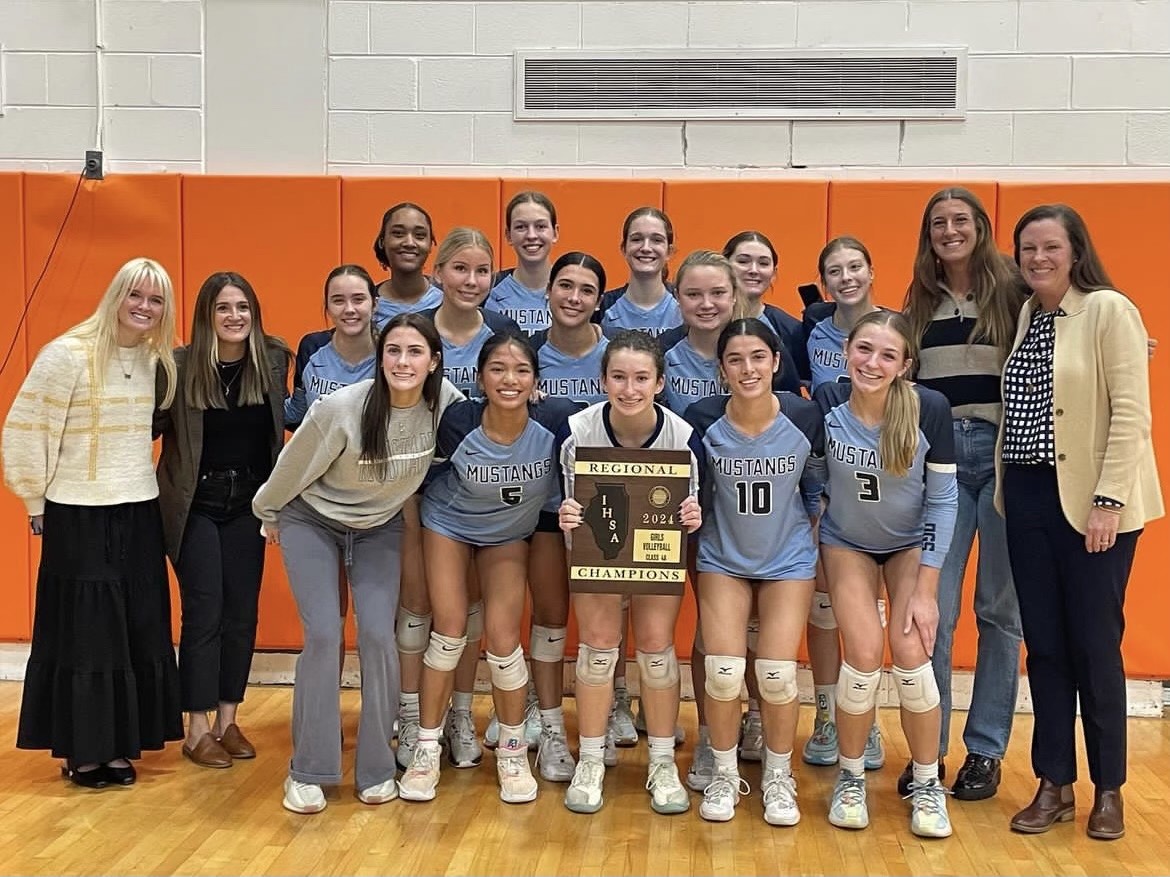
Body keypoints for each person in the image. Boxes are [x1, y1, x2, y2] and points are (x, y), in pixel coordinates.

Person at [252, 313, 463, 814]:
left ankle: (375, 768)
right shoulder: (341, 408)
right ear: (380, 357)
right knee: (325, 633)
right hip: (312, 519)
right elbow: (292, 466)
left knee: (376, 634)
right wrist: (267, 512)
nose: (403, 362)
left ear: (434, 361)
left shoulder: (447, 406)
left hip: (379, 526)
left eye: (415, 352)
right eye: (394, 351)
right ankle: (308, 771)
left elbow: (491, 429)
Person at [997, 204, 1162, 841]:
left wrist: (1110, 501)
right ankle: (1053, 783)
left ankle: (1110, 789)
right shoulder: (1027, 314)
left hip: (1096, 504)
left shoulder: (1109, 310)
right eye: (1028, 249)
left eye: (1050, 247)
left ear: (1075, 250)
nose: (1038, 258)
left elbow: (1131, 415)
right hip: (1030, 498)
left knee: (1095, 647)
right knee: (1045, 648)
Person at [3, 256, 182, 788]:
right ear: (115, 295)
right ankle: (83, 752)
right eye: (136, 295)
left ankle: (119, 747)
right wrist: (33, 501)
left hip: (137, 510)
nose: (145, 308)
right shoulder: (65, 355)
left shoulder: (158, 363)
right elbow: (25, 429)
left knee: (132, 630)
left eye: (156, 300)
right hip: (77, 512)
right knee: (87, 636)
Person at [398, 334, 577, 804]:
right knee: (451, 629)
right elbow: (417, 484)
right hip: (448, 526)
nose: (509, 379)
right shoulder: (458, 422)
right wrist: (414, 542)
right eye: (498, 368)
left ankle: (513, 753)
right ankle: (425, 749)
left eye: (521, 369)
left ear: (536, 381)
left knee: (503, 639)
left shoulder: (556, 425)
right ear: (479, 378)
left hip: (506, 535)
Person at [902, 188, 1029, 800]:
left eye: (960, 221)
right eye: (937, 224)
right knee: (936, 614)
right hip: (942, 462)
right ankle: (931, 751)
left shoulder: (1013, 291)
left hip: (1005, 457)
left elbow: (1068, 333)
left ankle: (985, 751)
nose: (949, 231)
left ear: (980, 227)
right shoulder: (919, 302)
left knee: (1000, 613)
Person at [814, 310, 958, 838]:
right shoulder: (828, 402)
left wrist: (926, 590)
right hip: (846, 541)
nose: (872, 363)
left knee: (914, 657)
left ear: (905, 366)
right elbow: (813, 480)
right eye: (864, 349)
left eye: (887, 355)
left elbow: (943, 502)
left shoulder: (930, 410)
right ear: (846, 350)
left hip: (906, 546)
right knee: (864, 656)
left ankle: (926, 783)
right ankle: (850, 777)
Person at [557, 330, 704, 815]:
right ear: (602, 380)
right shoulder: (577, 432)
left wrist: (692, 515)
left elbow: (692, 505)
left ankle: (662, 762)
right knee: (598, 649)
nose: (630, 388)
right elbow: (574, 506)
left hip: (657, 553)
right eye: (618, 377)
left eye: (642, 378)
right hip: (600, 550)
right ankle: (592, 760)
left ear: (660, 382)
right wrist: (569, 518)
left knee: (657, 652)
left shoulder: (683, 438)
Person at [683, 318, 824, 826]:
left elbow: (817, 487)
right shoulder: (702, 419)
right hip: (724, 557)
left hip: (787, 559)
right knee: (723, 674)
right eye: (736, 359)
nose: (748, 368)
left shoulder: (806, 416)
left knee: (777, 674)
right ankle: (723, 772)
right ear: (721, 368)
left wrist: (810, 536)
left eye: (757, 357)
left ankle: (778, 777)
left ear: (776, 362)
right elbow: (691, 491)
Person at [155, 271, 290, 769]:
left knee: (241, 613)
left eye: (243, 308)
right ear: (205, 316)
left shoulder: (273, 359)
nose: (234, 317)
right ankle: (195, 730)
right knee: (205, 610)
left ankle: (227, 721)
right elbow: (146, 424)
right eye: (223, 308)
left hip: (248, 503)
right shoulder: (177, 366)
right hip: (195, 503)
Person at [416, 227, 520, 772]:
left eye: (483, 271)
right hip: (422, 491)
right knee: (432, 616)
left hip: (486, 493)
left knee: (477, 618)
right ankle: (417, 718)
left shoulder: (500, 333)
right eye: (460, 269)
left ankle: (462, 712)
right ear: (439, 273)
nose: (472, 281)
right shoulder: (414, 331)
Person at [802, 237, 888, 776]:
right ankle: (828, 714)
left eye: (855, 266)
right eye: (835, 270)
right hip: (824, 472)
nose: (846, 277)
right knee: (823, 605)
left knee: (865, 613)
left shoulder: (895, 326)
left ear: (871, 270)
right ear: (824, 280)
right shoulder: (811, 331)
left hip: (879, 481)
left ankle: (868, 716)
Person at [722, 230, 810, 385]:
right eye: (743, 261)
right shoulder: (709, 320)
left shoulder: (791, 330)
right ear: (725, 265)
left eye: (763, 263)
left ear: (773, 273)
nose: (753, 270)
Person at [596, 207, 682, 338]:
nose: (646, 248)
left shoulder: (684, 304)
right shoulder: (602, 307)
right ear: (624, 248)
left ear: (669, 251)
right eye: (637, 239)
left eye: (657, 240)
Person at [486, 191, 559, 334]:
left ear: (555, 233)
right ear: (508, 235)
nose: (531, 235)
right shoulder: (489, 289)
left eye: (540, 226)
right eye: (521, 227)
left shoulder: (572, 291)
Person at [372, 202, 442, 326]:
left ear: (431, 244)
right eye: (398, 233)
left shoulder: (448, 301)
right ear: (382, 242)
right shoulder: (366, 304)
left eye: (419, 235)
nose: (409, 243)